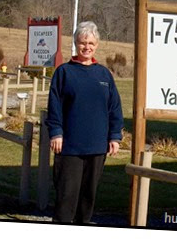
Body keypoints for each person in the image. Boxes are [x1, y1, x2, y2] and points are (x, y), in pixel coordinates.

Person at [46, 21, 124, 224]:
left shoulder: (104, 74)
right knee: (66, 198)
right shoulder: (64, 73)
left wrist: (115, 136)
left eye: (91, 43)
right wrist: (56, 132)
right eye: (82, 42)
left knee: (87, 198)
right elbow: (54, 106)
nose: (86, 47)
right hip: (70, 147)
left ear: (96, 45)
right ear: (75, 43)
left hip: (97, 147)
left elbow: (114, 108)